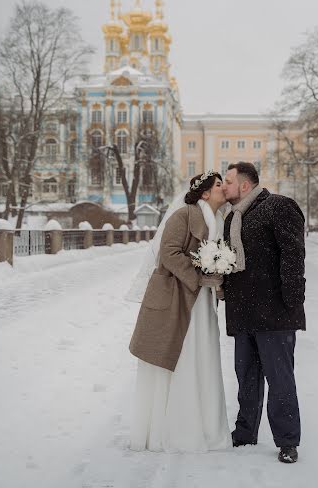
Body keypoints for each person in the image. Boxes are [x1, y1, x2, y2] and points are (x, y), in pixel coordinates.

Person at [129, 171, 232, 453]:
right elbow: (169, 252)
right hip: (179, 299)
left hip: (202, 303)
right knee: (182, 355)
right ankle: (177, 429)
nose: (225, 189)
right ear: (205, 193)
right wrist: (200, 274)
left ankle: (206, 426)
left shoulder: (222, 220)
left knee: (203, 355)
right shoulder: (184, 215)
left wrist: (218, 274)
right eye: (219, 185)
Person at [222, 161, 306, 464]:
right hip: (243, 313)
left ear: (245, 185)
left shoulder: (278, 206)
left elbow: (293, 254)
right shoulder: (232, 217)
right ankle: (245, 432)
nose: (224, 186)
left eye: (228, 181)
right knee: (246, 377)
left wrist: (292, 303)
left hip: (275, 314)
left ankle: (287, 441)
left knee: (280, 379)